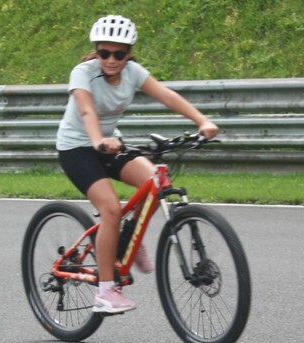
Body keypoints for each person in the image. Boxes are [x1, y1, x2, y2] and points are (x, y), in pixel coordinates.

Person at [56, 15, 219, 314]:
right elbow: (87, 111)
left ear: (129, 53)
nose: (111, 60)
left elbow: (167, 96)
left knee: (157, 181)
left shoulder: (133, 72)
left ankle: (129, 238)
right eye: (104, 53)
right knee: (111, 209)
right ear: (96, 51)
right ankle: (106, 292)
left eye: (119, 54)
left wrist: (202, 120)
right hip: (77, 147)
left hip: (110, 143)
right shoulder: (83, 73)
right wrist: (98, 141)